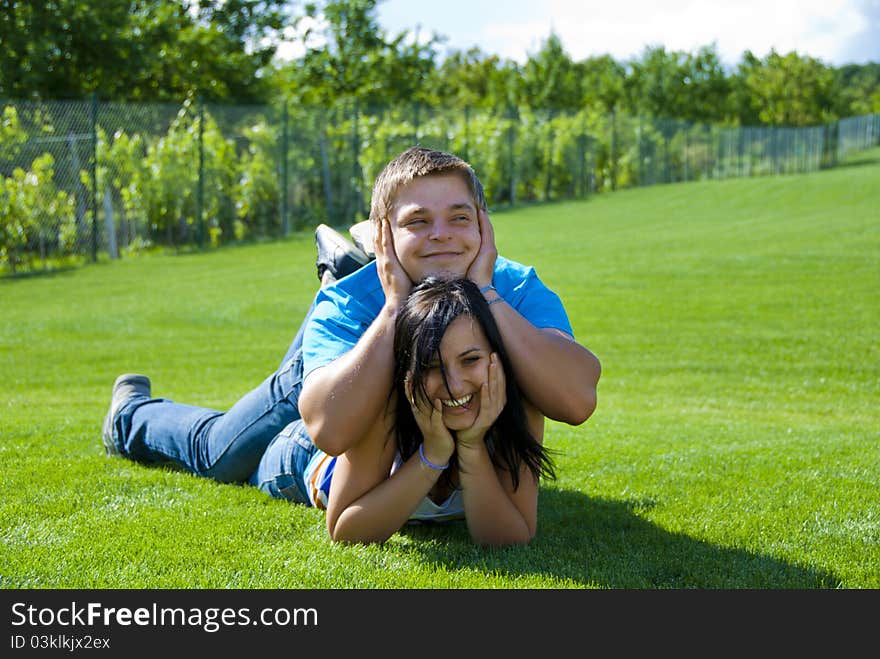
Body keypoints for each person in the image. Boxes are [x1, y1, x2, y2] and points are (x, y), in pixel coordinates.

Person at [102, 145, 601, 539]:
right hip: (341, 367)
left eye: (459, 218)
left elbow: (576, 400)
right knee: (220, 453)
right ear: (384, 235)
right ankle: (128, 417)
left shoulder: (513, 287)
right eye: (417, 222)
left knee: (511, 363)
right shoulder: (353, 303)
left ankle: (347, 264)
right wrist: (392, 308)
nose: (443, 236)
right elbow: (331, 431)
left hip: (400, 390)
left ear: (484, 224)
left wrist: (487, 294)